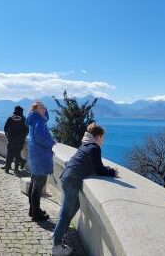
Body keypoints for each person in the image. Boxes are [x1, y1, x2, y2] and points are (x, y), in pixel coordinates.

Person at [51, 123, 117, 255]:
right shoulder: (94, 148)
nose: (103, 140)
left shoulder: (85, 145)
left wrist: (106, 169)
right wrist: (112, 172)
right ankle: (56, 245)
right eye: (102, 137)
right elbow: (99, 169)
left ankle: (60, 236)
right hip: (71, 180)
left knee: (74, 206)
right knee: (66, 212)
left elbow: (88, 164)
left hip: (67, 177)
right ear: (98, 136)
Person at [27, 101, 55, 222]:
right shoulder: (38, 122)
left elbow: (45, 118)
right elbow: (41, 138)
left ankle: (33, 210)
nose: (45, 109)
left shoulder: (35, 120)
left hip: (35, 156)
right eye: (42, 107)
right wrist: (52, 142)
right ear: (36, 109)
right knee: (37, 186)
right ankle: (36, 214)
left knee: (34, 184)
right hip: (40, 157)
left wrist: (44, 113)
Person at [3, 106, 28, 173]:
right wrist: (22, 138)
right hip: (19, 141)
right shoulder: (24, 119)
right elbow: (26, 131)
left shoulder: (10, 118)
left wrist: (8, 137)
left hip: (11, 139)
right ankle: (16, 169)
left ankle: (7, 169)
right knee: (17, 155)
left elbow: (5, 129)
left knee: (9, 154)